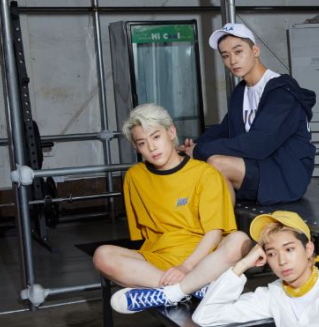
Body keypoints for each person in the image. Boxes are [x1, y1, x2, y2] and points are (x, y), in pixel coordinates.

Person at [93, 103, 251, 313]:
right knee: (102, 255)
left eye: (156, 137)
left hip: (204, 259)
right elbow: (145, 235)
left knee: (240, 240)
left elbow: (214, 233)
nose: (152, 148)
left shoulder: (206, 174)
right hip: (160, 261)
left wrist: (186, 267)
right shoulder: (134, 177)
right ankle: (190, 288)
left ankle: (171, 292)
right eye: (142, 143)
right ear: (136, 148)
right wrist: (171, 269)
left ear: (171, 132)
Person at [181, 22, 317, 205]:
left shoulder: (281, 92)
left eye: (238, 51)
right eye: (225, 55)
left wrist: (199, 151)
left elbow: (259, 143)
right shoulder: (241, 91)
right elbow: (226, 129)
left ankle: (223, 222)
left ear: (255, 51)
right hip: (258, 166)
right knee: (195, 163)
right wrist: (193, 145)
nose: (232, 61)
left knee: (216, 163)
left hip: (285, 174)